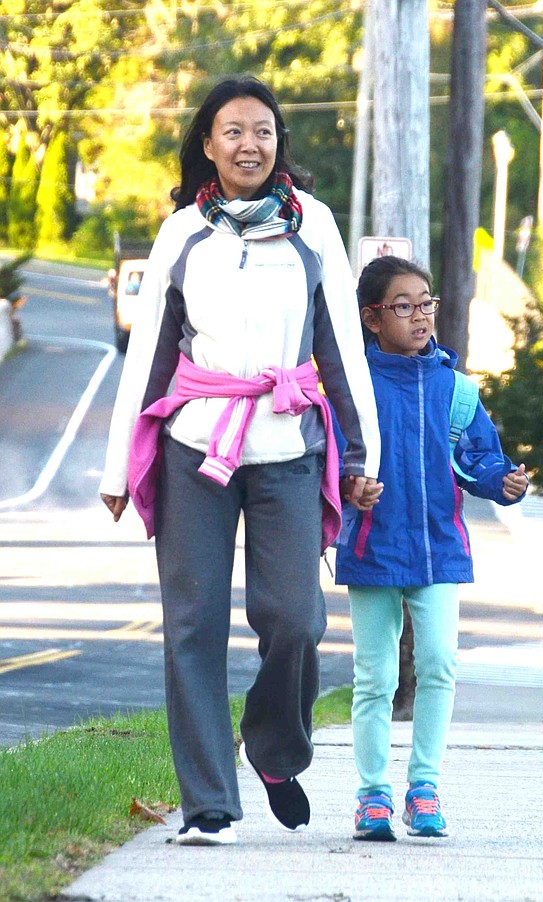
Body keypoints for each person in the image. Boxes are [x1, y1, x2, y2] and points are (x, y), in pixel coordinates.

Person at [99, 76, 381, 847]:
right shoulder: (180, 234)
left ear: (279, 141)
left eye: (262, 131)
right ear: (208, 145)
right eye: (232, 132)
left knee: (296, 618)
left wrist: (362, 453)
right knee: (192, 626)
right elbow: (149, 355)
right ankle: (209, 804)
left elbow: (343, 349)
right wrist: (118, 469)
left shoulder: (312, 226)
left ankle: (275, 747)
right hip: (196, 446)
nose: (248, 144)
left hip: (289, 442)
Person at [333, 255, 528, 842]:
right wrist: (350, 485)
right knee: (376, 677)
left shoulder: (455, 388)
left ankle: (424, 787)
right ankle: (372, 796)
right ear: (372, 317)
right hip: (372, 549)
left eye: (427, 303)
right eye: (404, 305)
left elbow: (476, 458)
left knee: (440, 664)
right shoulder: (354, 389)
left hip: (439, 552)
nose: (420, 315)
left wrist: (503, 481)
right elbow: (332, 461)